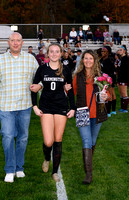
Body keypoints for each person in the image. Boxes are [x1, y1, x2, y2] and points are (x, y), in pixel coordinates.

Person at [0, 32, 39, 183]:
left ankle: (19, 167)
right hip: (6, 107)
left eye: (18, 41)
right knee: (8, 136)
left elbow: (40, 79)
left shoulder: (31, 60)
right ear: (8, 42)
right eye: (12, 40)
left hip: (24, 106)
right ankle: (10, 169)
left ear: (22, 43)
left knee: (22, 138)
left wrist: (39, 87)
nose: (15, 43)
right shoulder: (0, 60)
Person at [30, 43, 75, 182]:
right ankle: (46, 158)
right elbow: (34, 88)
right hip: (46, 107)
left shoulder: (66, 70)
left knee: (58, 140)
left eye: (57, 51)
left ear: (61, 53)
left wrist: (72, 107)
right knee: (48, 141)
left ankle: (55, 172)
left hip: (61, 107)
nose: (54, 54)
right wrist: (34, 106)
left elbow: (70, 90)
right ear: (47, 54)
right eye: (52, 51)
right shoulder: (42, 69)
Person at [72, 49, 110, 184]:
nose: (88, 61)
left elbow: (108, 94)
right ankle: (89, 175)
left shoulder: (101, 77)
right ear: (82, 60)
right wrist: (66, 90)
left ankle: (89, 165)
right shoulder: (78, 76)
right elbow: (72, 93)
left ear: (94, 61)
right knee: (86, 141)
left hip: (98, 114)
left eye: (90, 58)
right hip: (82, 113)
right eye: (85, 58)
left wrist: (106, 96)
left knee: (93, 141)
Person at [100, 46, 115, 116]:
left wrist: (109, 81)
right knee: (104, 95)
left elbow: (111, 72)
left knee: (109, 95)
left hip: (108, 80)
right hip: (102, 80)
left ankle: (109, 111)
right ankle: (106, 110)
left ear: (107, 52)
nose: (102, 52)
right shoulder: (101, 60)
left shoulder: (109, 60)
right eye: (102, 51)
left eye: (104, 51)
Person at [116, 45, 129, 112]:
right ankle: (122, 107)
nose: (119, 51)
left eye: (121, 50)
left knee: (124, 93)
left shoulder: (126, 58)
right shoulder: (121, 59)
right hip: (120, 78)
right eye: (119, 50)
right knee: (121, 93)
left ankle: (125, 108)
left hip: (124, 78)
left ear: (124, 51)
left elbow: (126, 70)